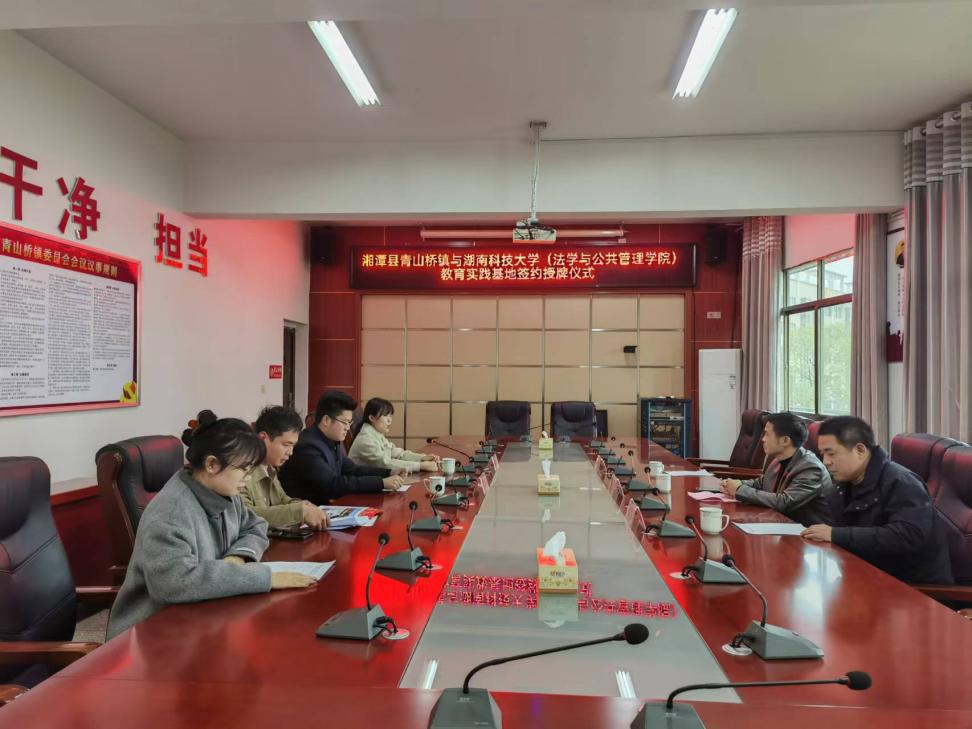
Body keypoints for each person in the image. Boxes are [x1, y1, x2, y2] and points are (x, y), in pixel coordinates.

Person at [107, 418, 316, 639]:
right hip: (149, 633)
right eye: (244, 470)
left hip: (203, 614)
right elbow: (174, 582)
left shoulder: (226, 493)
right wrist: (265, 579)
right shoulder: (171, 512)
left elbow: (256, 526)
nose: (247, 479)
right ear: (212, 464)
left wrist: (238, 557)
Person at [801, 415, 953, 585]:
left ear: (860, 450)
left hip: (912, 587)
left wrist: (835, 534)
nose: (826, 462)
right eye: (823, 454)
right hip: (866, 574)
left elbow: (907, 536)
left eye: (831, 454)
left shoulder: (902, 482)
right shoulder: (843, 484)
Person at [279, 390, 405, 504]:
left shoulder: (332, 439)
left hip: (326, 506)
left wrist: (388, 473)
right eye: (345, 422)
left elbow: (351, 469)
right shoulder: (308, 446)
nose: (348, 428)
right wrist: (381, 483)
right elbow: (332, 485)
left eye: (350, 423)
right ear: (326, 420)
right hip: (305, 513)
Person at [720, 412, 832, 526]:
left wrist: (739, 490)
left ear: (785, 441)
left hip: (808, 531)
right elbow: (761, 484)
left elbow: (785, 502)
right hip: (781, 523)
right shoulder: (778, 459)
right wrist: (735, 484)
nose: (763, 439)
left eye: (767, 434)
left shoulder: (810, 468)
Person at [242, 405, 329, 529]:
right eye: (286, 444)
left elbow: (282, 499)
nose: (290, 452)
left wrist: (304, 505)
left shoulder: (269, 468)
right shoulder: (241, 471)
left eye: (293, 445)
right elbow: (245, 515)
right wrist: (300, 512)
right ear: (263, 438)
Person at [348, 397, 439, 473]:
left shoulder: (376, 434)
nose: (390, 420)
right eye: (385, 415)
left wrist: (422, 458)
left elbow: (398, 453)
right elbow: (386, 464)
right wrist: (421, 466)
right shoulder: (365, 440)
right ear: (372, 418)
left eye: (390, 416)